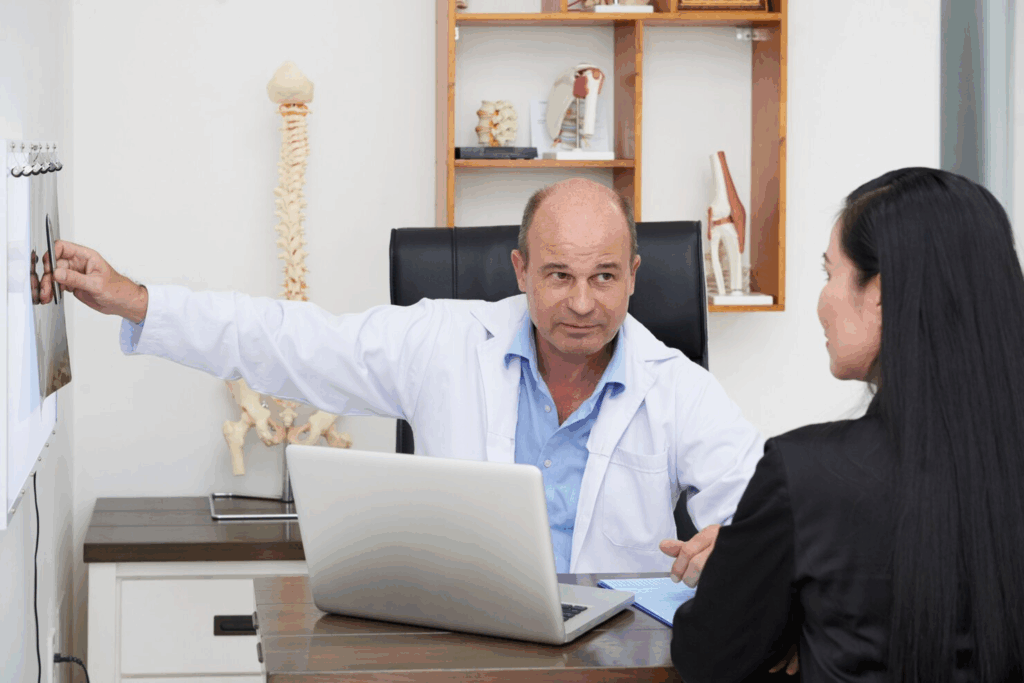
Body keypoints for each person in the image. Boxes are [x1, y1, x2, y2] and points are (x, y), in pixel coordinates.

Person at [49, 178, 764, 575]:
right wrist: (138, 299)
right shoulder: (444, 342)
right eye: (558, 275)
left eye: (605, 276)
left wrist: (730, 539)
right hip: (462, 641)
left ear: (635, 276)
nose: (583, 302)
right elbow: (292, 341)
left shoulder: (677, 387)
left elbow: (765, 508)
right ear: (520, 272)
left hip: (615, 658)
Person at [670, 168, 1024, 683]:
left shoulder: (807, 476)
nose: (823, 302)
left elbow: (708, 657)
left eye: (829, 273)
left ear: (878, 294)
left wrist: (747, 576)